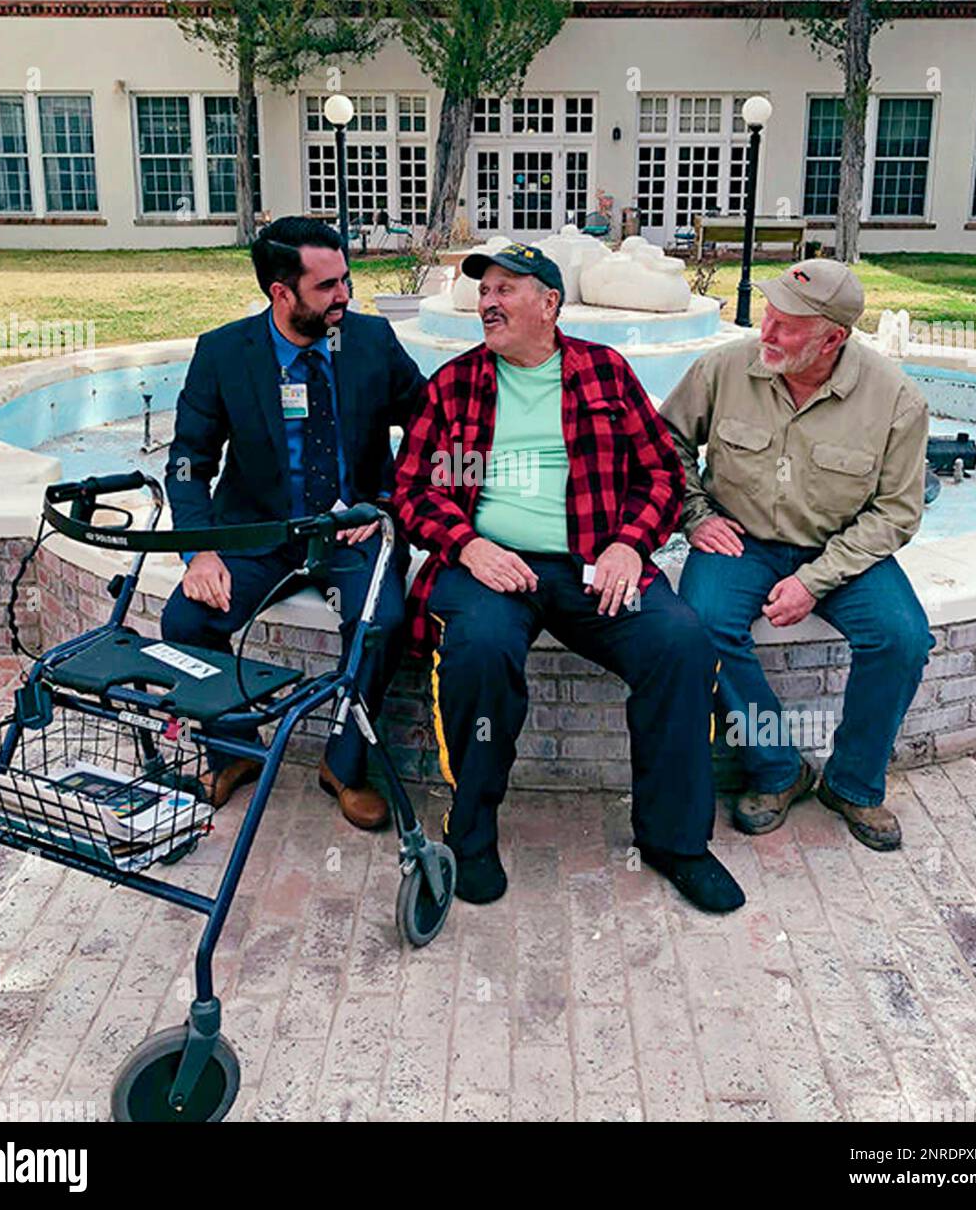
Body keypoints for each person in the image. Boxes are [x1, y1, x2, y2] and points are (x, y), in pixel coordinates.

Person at [392, 244, 745, 914]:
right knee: (480, 651)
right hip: (491, 563)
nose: (488, 303)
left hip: (594, 562)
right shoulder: (458, 383)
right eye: (484, 292)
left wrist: (630, 545)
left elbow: (663, 476)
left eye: (505, 290)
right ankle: (469, 835)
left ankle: (676, 843)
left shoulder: (604, 373)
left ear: (549, 304)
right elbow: (413, 491)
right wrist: (466, 545)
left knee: (680, 644)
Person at [661, 259, 933, 850]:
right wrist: (697, 513)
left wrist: (815, 580)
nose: (767, 333)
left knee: (903, 637)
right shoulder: (724, 367)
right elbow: (665, 444)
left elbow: (897, 512)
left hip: (842, 547)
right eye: (769, 317)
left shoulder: (897, 401)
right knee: (702, 626)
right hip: (741, 538)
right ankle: (778, 769)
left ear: (833, 338)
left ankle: (855, 784)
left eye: (787, 327)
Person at [161, 216, 424, 824]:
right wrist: (199, 552)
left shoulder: (371, 341)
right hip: (260, 533)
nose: (345, 296)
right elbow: (188, 460)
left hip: (351, 527)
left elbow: (430, 423)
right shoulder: (223, 352)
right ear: (281, 292)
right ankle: (232, 750)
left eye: (346, 280)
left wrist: (385, 502)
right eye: (327, 286)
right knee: (185, 620)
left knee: (379, 622)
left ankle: (344, 762)